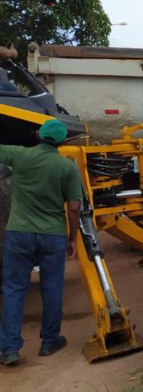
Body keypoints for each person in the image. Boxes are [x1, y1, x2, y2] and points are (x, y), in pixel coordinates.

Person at [0, 119, 82, 366]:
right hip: (53, 235)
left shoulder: (20, 155)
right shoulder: (67, 167)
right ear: (62, 142)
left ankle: (9, 349)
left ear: (38, 136)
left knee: (14, 289)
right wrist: (73, 239)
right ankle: (49, 341)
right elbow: (75, 207)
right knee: (52, 287)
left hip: (19, 233)